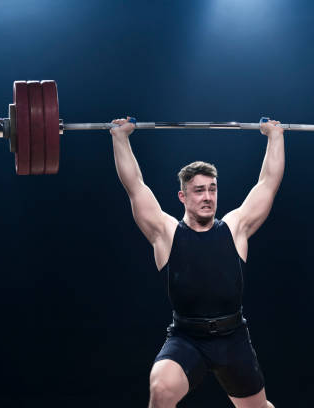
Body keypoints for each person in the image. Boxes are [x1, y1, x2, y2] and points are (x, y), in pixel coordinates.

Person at [110, 116, 284, 408]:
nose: (207, 197)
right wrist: (120, 138)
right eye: (199, 190)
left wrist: (275, 136)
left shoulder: (235, 227)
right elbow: (135, 186)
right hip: (187, 338)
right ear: (182, 196)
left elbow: (268, 184)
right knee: (161, 388)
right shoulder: (166, 233)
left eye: (212, 189)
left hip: (233, 338)